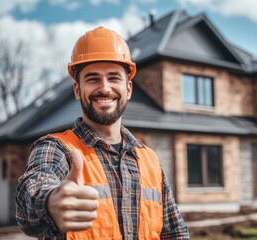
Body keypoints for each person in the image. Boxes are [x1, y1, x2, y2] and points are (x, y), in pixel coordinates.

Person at [15, 26, 189, 240]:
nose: (104, 88)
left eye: (114, 78)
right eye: (93, 79)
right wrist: (50, 202)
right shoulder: (56, 148)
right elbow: (33, 188)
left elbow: (175, 233)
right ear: (78, 90)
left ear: (129, 88)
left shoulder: (149, 159)